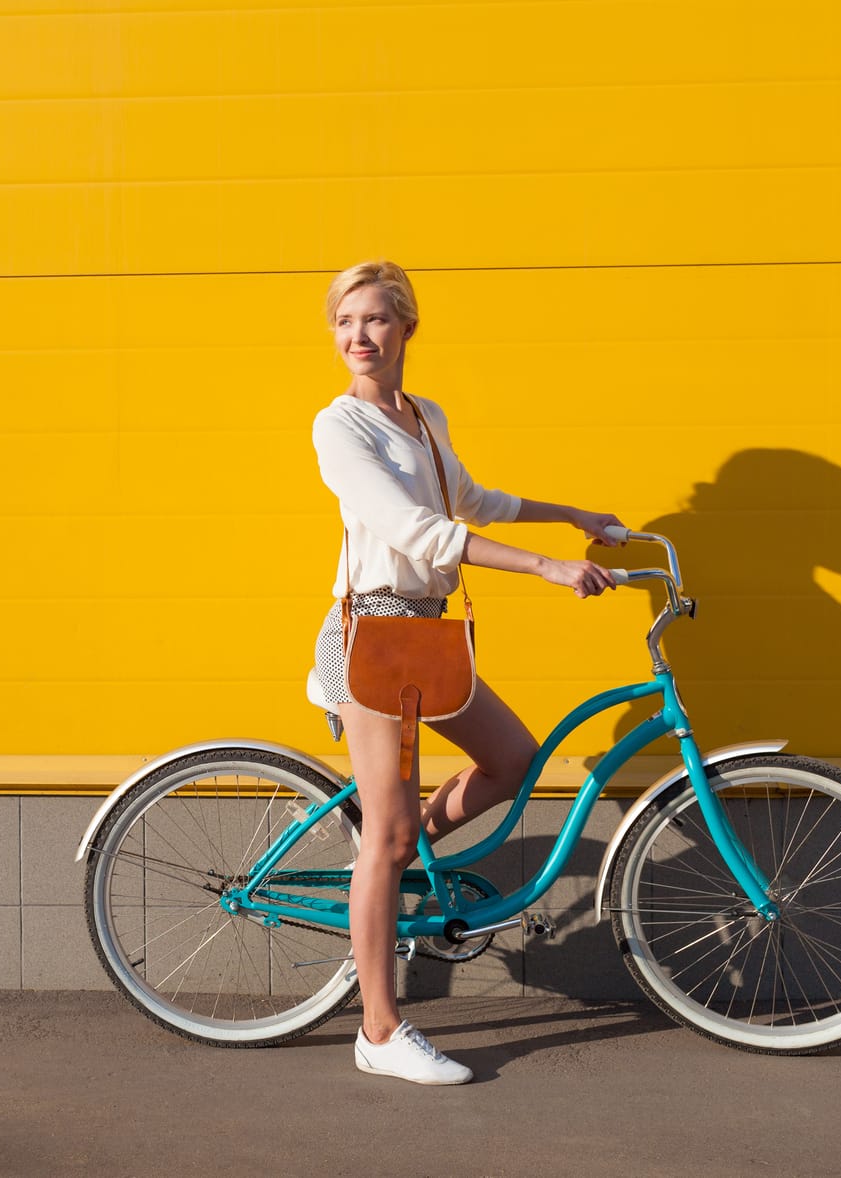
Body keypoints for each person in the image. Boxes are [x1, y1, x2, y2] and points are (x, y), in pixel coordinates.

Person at [312, 260, 624, 1085]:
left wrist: (574, 515)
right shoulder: (339, 428)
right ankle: (378, 1032)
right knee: (387, 833)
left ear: (408, 327)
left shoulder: (423, 415)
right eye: (345, 323)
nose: (358, 338)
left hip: (424, 635)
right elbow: (419, 532)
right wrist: (547, 568)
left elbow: (470, 500)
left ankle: (383, 865)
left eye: (375, 320)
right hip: (370, 635)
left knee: (514, 761)